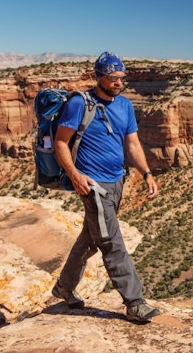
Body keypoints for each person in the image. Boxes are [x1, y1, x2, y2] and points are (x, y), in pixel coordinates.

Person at [51, 51, 160, 323]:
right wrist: (75, 175)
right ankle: (135, 303)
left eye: (121, 78)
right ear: (98, 76)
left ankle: (64, 287)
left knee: (91, 239)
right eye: (112, 78)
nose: (117, 83)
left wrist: (146, 172)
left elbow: (132, 144)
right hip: (92, 185)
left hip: (117, 182)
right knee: (112, 241)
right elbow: (60, 142)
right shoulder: (80, 104)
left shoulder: (124, 106)